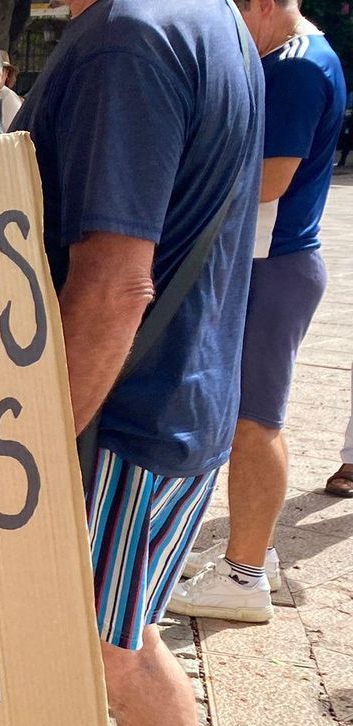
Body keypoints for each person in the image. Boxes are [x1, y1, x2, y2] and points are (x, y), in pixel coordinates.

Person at [11, 0, 262, 726]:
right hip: (171, 395)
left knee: (107, 648)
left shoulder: (130, 38)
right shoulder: (202, 17)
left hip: (121, 416)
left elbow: (115, 284)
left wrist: (29, 460)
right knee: (118, 638)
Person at [170, 0, 345, 622]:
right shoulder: (300, 55)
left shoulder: (294, 66)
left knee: (254, 423)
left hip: (271, 263)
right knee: (246, 419)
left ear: (263, 6)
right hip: (271, 262)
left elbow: (270, 179)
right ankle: (253, 554)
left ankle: (243, 577)